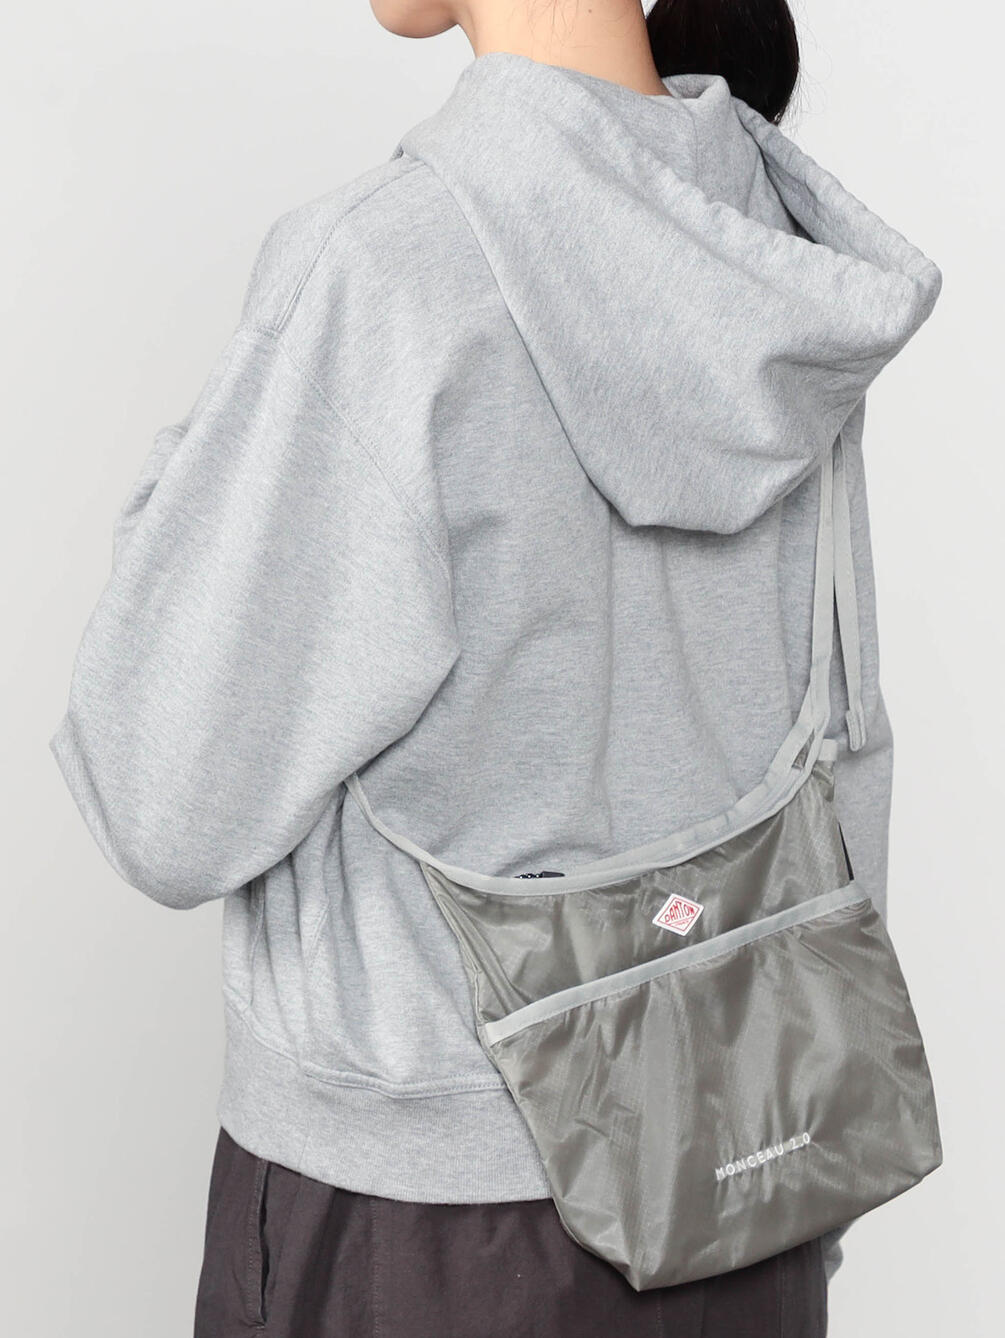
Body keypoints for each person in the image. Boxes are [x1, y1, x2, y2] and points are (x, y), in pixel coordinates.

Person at [48, 1, 942, 1334]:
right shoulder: (765, 248)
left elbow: (162, 796)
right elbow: (841, 728)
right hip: (749, 1165)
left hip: (424, 1229)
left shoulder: (383, 274)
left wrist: (188, 496)